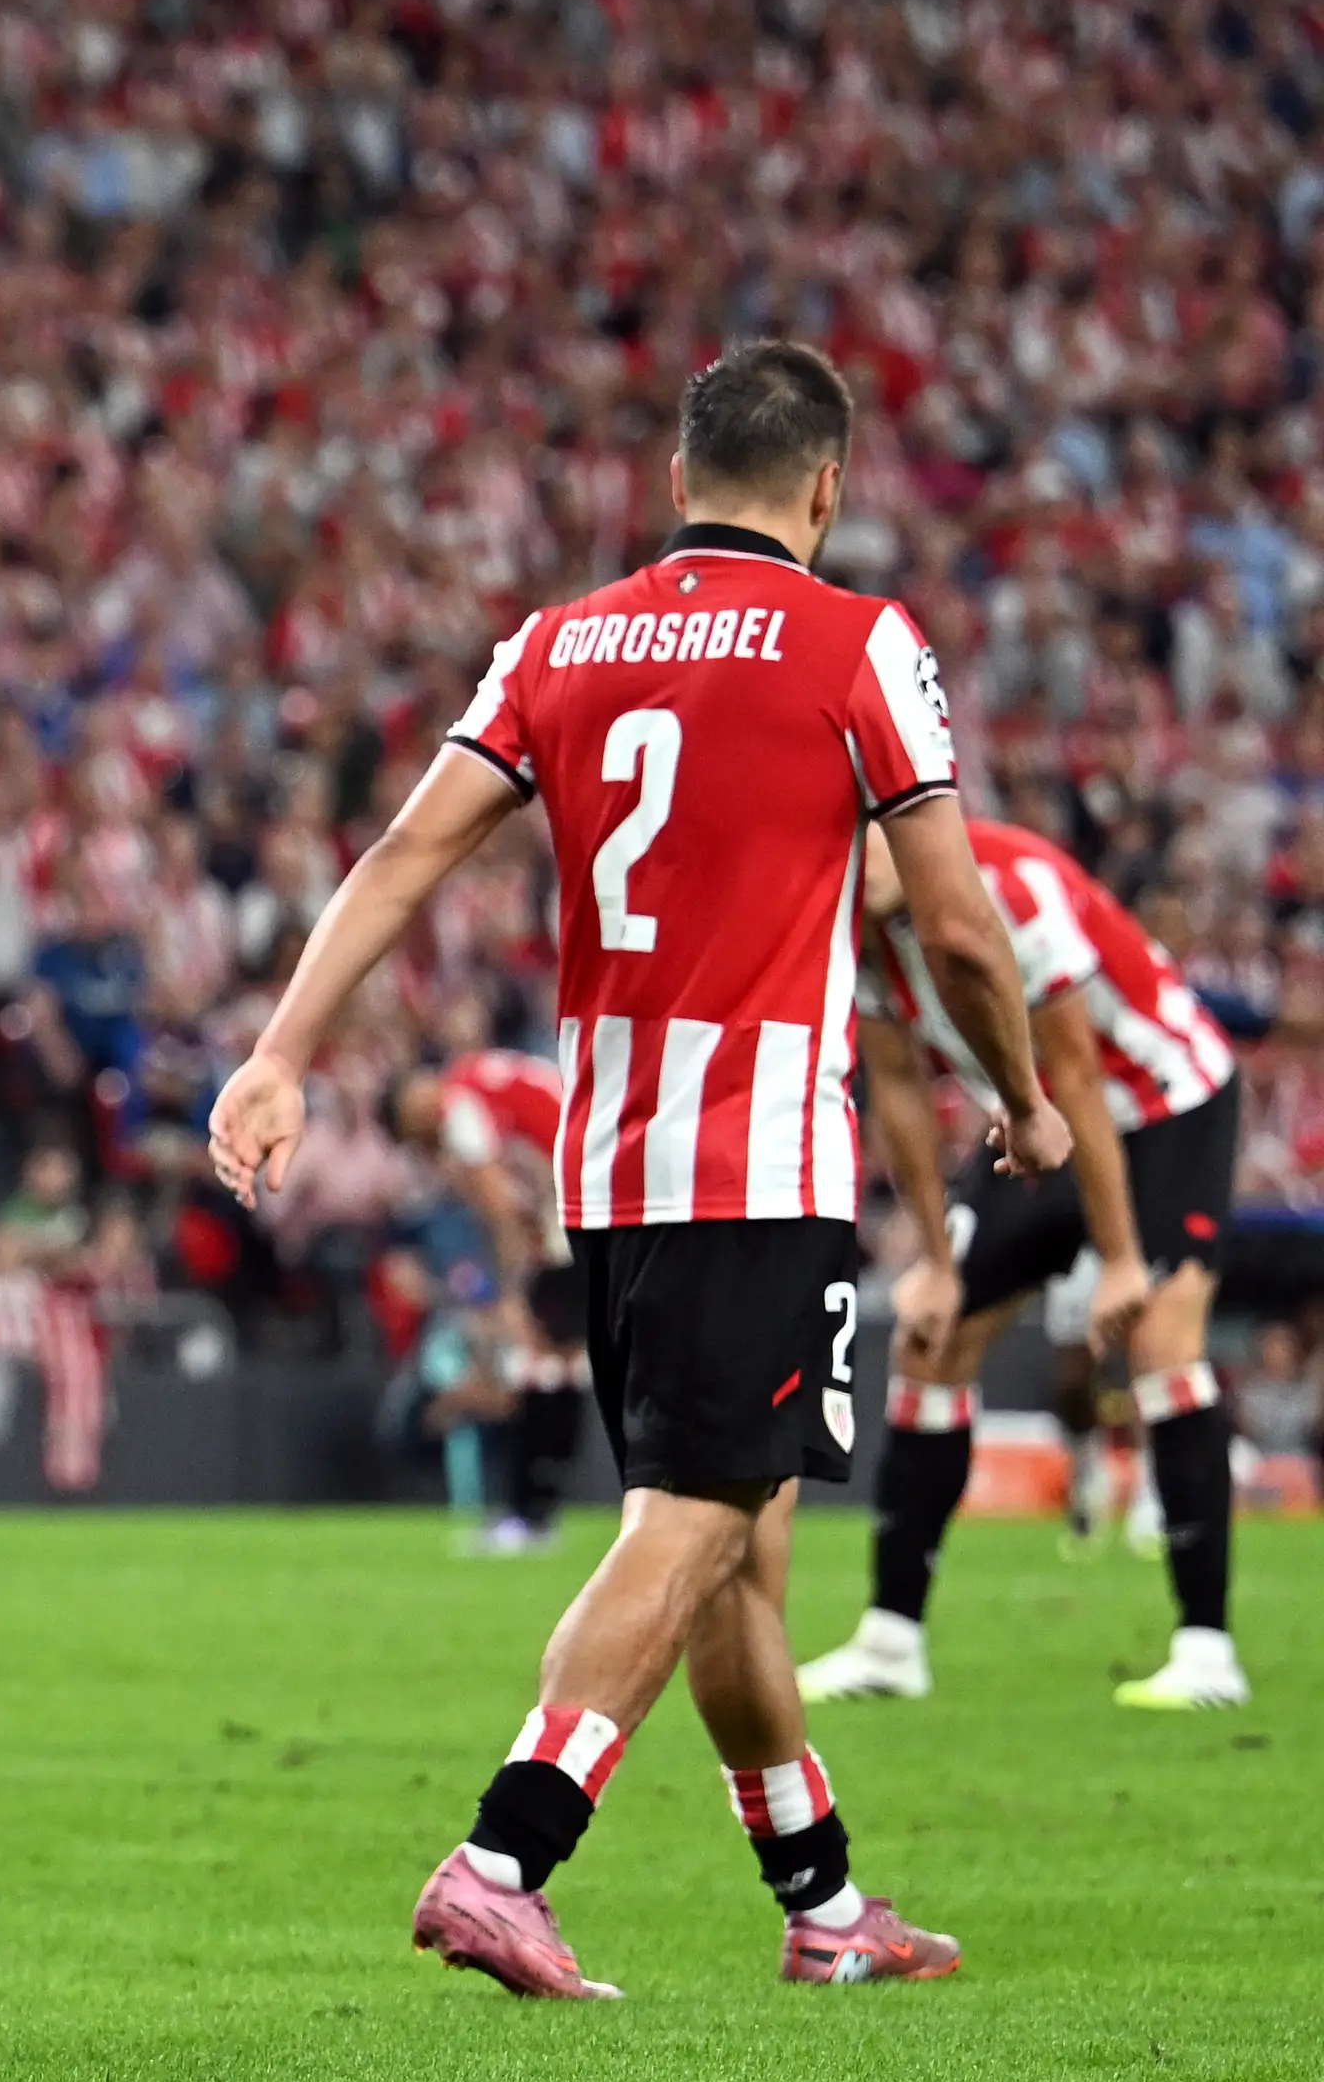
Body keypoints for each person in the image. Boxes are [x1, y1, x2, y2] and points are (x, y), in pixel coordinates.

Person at [209, 338, 1067, 1998]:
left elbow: (404, 854)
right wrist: (1020, 1092)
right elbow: (956, 921)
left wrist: (284, 1048)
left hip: (607, 1171)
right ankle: (503, 1854)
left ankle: (823, 1909)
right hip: (761, 1153)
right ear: (829, 487)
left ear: (678, 481)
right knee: (695, 1521)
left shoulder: (559, 643)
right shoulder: (859, 643)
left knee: (731, 1536)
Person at [799, 818, 1251, 1710]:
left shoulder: (1014, 890)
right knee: (932, 1344)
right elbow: (894, 1086)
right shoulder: (859, 926)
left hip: (1161, 1104)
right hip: (1033, 1117)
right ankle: (892, 1640)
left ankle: (1208, 1650)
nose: (855, 862)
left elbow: (1079, 1073)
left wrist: (1121, 1261)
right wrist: (934, 1258)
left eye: (869, 838)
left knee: (1161, 1337)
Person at [392, 1051, 587, 1552]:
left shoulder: (459, 1107)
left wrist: (513, 1292)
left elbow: (500, 1209)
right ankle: (538, 1511)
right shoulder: (476, 1076)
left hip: (576, 1202)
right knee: (564, 1360)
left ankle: (530, 1516)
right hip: (589, 1184)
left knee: (540, 1355)